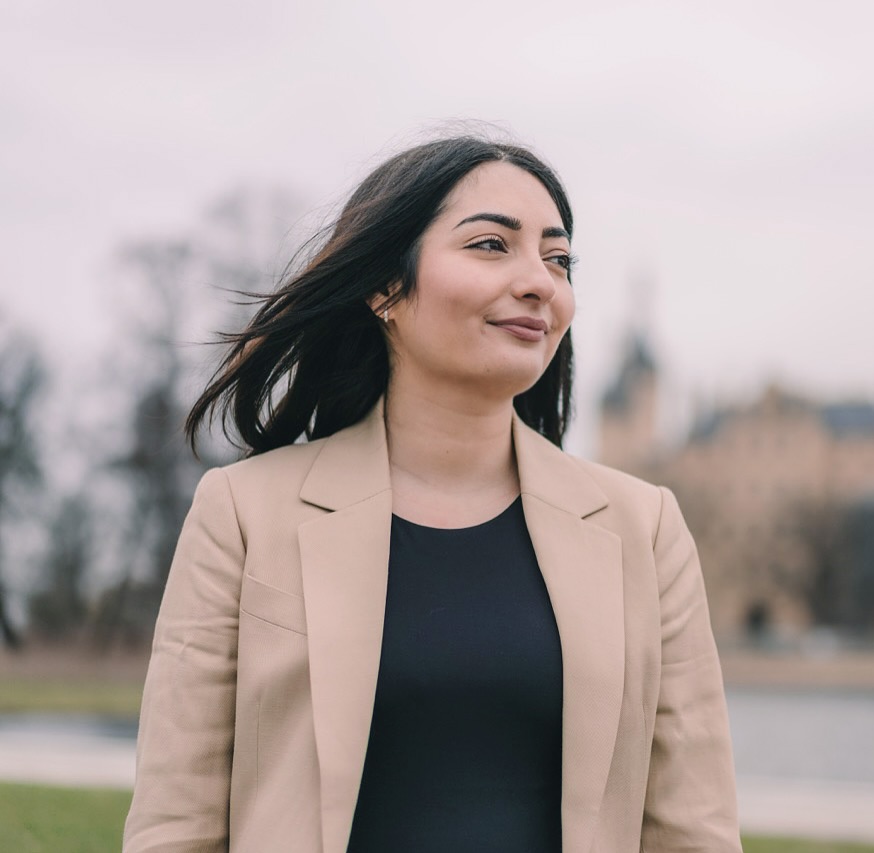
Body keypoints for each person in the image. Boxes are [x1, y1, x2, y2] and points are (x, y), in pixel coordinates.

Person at [122, 135, 742, 852]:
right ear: (386, 286)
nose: (540, 280)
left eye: (558, 258)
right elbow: (175, 824)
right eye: (490, 245)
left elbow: (694, 830)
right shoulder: (243, 514)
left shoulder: (646, 528)